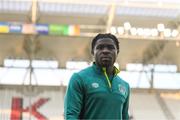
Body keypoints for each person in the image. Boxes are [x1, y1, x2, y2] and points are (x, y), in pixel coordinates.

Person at [64, 33, 130, 120]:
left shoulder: (125, 86)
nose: (105, 51)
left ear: (117, 51)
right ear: (92, 51)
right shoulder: (79, 79)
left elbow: (125, 117)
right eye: (100, 47)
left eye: (110, 47)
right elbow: (71, 115)